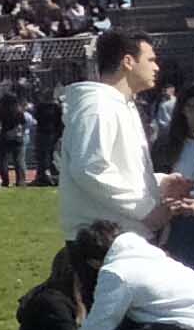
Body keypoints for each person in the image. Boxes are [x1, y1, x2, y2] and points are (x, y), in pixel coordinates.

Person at [57, 29, 171, 240]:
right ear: (128, 61)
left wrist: (161, 183)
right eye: (151, 59)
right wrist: (146, 210)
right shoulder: (99, 107)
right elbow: (90, 169)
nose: (156, 67)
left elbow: (118, 168)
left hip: (121, 235)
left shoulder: (121, 105)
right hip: (103, 241)